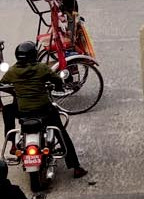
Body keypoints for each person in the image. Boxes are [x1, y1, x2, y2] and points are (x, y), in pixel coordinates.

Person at [0, 42, 87, 179]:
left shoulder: (12, 71)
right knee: (61, 132)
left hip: (23, 112)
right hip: (43, 110)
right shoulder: (41, 68)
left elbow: (3, 83)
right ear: (34, 55)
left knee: (7, 110)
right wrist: (58, 86)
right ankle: (76, 167)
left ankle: (12, 144)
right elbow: (57, 81)